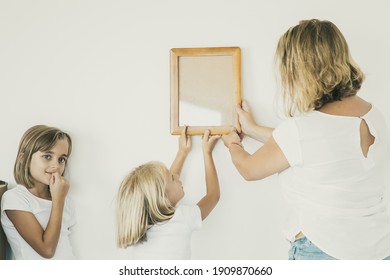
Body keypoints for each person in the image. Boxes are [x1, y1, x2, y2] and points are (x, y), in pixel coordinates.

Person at [222, 19, 390, 260]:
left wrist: (233, 144)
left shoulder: (302, 129)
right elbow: (324, 147)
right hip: (380, 250)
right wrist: (255, 129)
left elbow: (249, 169)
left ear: (298, 71)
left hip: (323, 250)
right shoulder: (375, 115)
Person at [116, 127, 220, 259]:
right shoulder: (182, 217)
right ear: (163, 198)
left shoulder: (143, 225)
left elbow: (164, 186)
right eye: (172, 178)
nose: (177, 176)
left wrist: (182, 152)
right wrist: (207, 152)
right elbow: (213, 195)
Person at [1, 125, 76, 259]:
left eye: (62, 159)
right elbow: (47, 250)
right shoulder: (15, 198)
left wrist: (59, 199)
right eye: (47, 156)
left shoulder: (64, 199)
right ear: (24, 158)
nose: (56, 166)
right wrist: (58, 200)